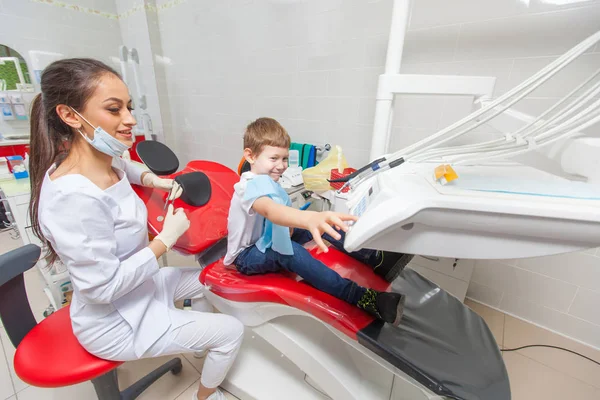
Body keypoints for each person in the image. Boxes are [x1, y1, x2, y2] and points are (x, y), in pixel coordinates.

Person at [28, 58, 242, 400]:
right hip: (113, 320)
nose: (130, 119)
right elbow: (103, 288)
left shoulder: (100, 159)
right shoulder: (73, 198)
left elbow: (123, 165)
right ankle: (206, 395)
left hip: (139, 288)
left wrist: (153, 179)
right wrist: (165, 241)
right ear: (70, 116)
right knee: (232, 331)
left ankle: (201, 343)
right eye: (114, 110)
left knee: (210, 277)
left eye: (128, 107)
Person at [224, 117, 408, 326]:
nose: (281, 166)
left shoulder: (269, 181)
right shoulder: (247, 187)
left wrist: (303, 222)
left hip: (265, 238)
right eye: (274, 158)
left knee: (324, 226)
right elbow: (271, 211)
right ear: (250, 155)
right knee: (289, 251)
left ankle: (375, 259)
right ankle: (361, 297)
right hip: (246, 255)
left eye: (284, 159)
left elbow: (279, 214)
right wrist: (310, 217)